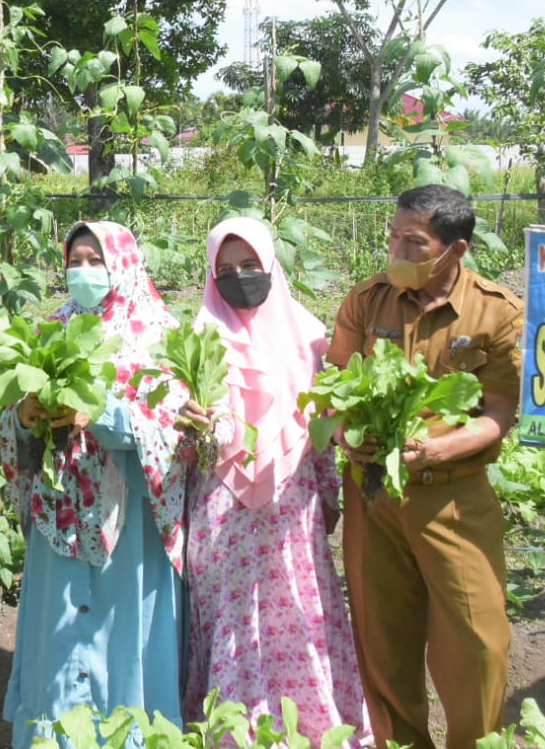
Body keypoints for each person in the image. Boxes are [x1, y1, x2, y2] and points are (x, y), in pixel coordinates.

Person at [328, 185, 522, 749]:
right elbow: (335, 384)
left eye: (414, 242)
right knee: (383, 641)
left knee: (478, 642)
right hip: (374, 496)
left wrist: (440, 448)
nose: (398, 251)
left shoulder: (495, 310)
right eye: (394, 237)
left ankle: (475, 741)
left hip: (453, 496)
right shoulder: (367, 299)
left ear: (454, 249)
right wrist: (346, 433)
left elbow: (498, 414)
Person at [178, 217, 369, 742]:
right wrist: (189, 422)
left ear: (271, 267)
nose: (239, 277)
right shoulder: (197, 337)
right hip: (222, 507)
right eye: (226, 269)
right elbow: (181, 439)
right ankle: (230, 728)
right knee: (230, 616)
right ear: (211, 276)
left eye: (249, 266)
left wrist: (330, 495)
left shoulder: (308, 336)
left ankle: (308, 723)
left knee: (297, 608)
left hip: (293, 501)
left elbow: (324, 424)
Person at [0, 220, 188, 748]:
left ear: (123, 265)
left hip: (130, 525)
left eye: (95, 260)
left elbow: (173, 430)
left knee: (122, 638)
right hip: (60, 510)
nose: (83, 271)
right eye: (74, 260)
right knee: (58, 637)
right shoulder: (52, 327)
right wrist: (26, 414)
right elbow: (12, 421)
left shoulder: (155, 332)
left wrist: (103, 415)